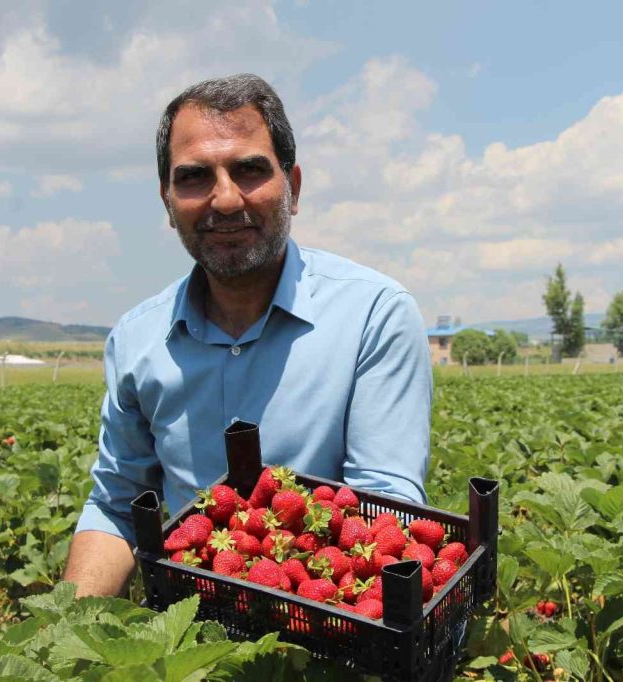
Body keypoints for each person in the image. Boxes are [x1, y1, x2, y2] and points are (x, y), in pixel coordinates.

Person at [63, 74, 433, 598]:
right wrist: (65, 637)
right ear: (168, 203)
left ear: (294, 187)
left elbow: (382, 512)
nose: (227, 199)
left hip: (330, 618)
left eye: (250, 169)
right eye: (194, 177)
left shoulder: (374, 313)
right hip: (186, 629)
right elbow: (117, 504)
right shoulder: (137, 339)